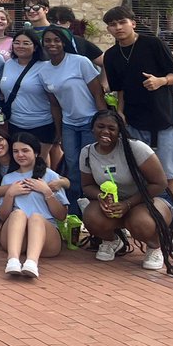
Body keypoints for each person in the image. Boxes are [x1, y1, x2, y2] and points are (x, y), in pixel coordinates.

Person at [100, 6, 173, 229]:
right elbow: (120, 91)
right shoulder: (112, 55)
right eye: (113, 24)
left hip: (162, 121)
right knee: (138, 176)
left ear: (133, 23)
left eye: (122, 22)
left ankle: (170, 226)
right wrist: (121, 114)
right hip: (134, 123)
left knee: (166, 176)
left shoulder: (152, 44)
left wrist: (160, 81)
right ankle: (141, 223)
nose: (118, 28)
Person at [79, 110, 173, 273]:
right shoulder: (87, 152)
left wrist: (128, 204)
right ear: (92, 129)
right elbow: (87, 186)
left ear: (119, 131)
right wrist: (101, 197)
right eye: (100, 126)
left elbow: (159, 183)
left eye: (111, 128)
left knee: (140, 223)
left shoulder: (135, 148)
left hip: (149, 198)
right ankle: (112, 241)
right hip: (117, 202)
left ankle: (155, 246)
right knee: (91, 216)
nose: (105, 132)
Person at [36, 25, 105, 211]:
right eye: (48, 40)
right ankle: (75, 208)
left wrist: (103, 122)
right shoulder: (44, 70)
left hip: (91, 121)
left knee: (89, 165)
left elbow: (98, 94)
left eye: (57, 40)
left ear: (64, 42)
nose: (52, 44)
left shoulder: (80, 62)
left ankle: (95, 205)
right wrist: (58, 132)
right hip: (69, 124)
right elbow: (54, 104)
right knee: (73, 165)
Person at [0, 133, 69, 278]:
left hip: (46, 238)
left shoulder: (50, 176)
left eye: (25, 150)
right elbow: (3, 216)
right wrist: (10, 194)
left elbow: (62, 216)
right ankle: (12, 260)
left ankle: (31, 262)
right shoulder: (8, 178)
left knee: (36, 217)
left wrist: (46, 192)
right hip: (16, 237)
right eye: (16, 151)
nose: (20, 155)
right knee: (18, 213)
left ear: (36, 152)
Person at [0, 29, 54, 146]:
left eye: (26, 43)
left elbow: (53, 99)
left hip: (41, 124)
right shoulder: (8, 64)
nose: (20, 46)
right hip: (15, 123)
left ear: (35, 47)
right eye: (17, 42)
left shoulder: (45, 67)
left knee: (39, 161)